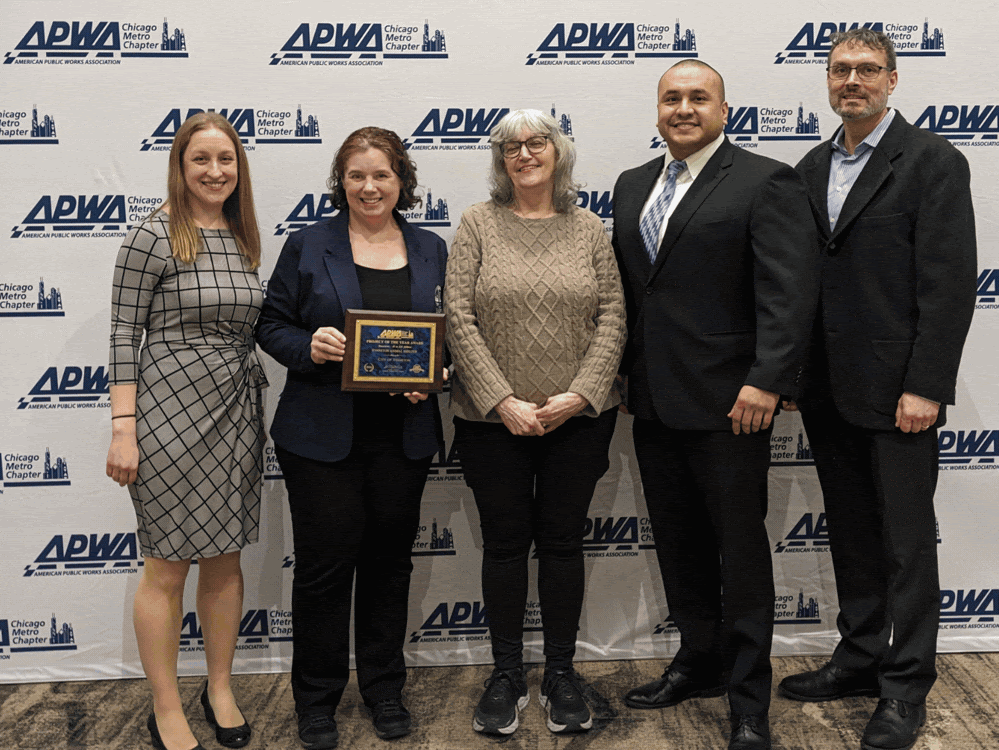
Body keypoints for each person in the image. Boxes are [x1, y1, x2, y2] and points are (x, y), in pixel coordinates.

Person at [777, 29, 976, 750]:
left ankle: (905, 686)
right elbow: (801, 281)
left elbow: (949, 285)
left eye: (866, 69)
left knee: (905, 545)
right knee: (854, 535)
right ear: (828, 82)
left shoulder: (932, 161)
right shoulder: (809, 167)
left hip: (900, 397)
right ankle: (860, 658)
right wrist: (793, 374)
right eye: (840, 70)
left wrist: (926, 385)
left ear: (893, 80)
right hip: (829, 391)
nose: (852, 81)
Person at [611, 61, 818, 750]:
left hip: (734, 404)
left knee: (739, 555)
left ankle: (749, 699)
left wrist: (769, 380)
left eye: (698, 97)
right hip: (652, 401)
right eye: (671, 98)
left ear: (724, 110)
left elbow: (790, 291)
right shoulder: (633, 185)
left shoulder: (765, 179)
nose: (683, 108)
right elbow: (636, 293)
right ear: (657, 110)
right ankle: (698, 661)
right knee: (679, 545)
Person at [256, 127, 447, 749]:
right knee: (323, 571)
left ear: (402, 181)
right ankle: (316, 702)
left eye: (382, 175)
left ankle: (385, 690)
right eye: (356, 175)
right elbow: (270, 323)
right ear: (341, 182)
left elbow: (450, 335)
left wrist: (435, 374)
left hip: (403, 438)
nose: (369, 187)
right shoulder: (309, 244)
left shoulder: (430, 247)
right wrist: (307, 346)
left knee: (390, 568)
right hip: (321, 439)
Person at [445, 109, 626, 736]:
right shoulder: (477, 223)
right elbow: (458, 317)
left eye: (536, 143)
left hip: (577, 421)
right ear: (501, 161)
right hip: (491, 421)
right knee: (503, 546)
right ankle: (504, 675)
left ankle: (560, 673)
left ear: (558, 153)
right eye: (510, 147)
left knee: (561, 544)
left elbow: (614, 316)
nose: (523, 154)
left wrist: (579, 395)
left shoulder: (590, 228)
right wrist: (502, 400)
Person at [107, 112, 264, 750]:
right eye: (201, 159)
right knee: (167, 567)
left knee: (224, 562)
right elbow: (123, 334)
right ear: (180, 165)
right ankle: (166, 705)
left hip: (235, 413)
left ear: (239, 168)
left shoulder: (244, 235)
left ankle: (218, 687)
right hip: (168, 414)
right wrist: (123, 428)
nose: (215, 171)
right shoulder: (152, 235)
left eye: (226, 159)